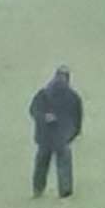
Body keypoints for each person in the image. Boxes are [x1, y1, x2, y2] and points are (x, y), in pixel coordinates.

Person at [29, 65, 83, 198]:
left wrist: (43, 118)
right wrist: (73, 133)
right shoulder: (72, 96)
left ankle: (39, 190)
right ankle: (63, 191)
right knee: (52, 163)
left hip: (49, 137)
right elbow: (78, 118)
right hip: (55, 137)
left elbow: (34, 110)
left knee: (42, 164)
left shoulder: (44, 93)